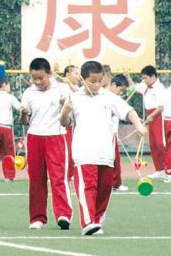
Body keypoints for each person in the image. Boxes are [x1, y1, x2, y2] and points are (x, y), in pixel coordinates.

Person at [60, 61, 146, 236]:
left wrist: (138, 125)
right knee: (88, 188)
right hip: (84, 154)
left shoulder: (108, 97)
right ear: (83, 79)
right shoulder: (75, 99)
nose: (96, 85)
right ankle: (88, 222)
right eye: (92, 81)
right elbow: (64, 122)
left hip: (106, 154)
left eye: (100, 81)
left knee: (104, 190)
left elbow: (128, 111)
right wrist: (65, 111)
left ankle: (97, 222)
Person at [20, 57, 73, 230]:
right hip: (34, 137)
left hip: (56, 137)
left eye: (40, 78)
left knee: (58, 178)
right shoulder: (28, 93)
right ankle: (37, 218)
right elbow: (24, 121)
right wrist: (23, 113)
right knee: (36, 179)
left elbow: (69, 116)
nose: (37, 82)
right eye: (34, 78)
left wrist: (64, 106)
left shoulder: (62, 89)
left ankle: (63, 214)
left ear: (49, 74)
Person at [127, 66, 167, 179]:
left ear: (153, 76)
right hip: (151, 117)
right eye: (143, 78)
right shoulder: (145, 86)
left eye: (145, 78)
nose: (144, 80)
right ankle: (160, 170)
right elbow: (134, 87)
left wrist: (151, 116)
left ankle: (168, 168)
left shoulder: (160, 88)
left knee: (161, 143)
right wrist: (127, 76)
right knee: (153, 144)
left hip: (159, 116)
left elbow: (161, 107)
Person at [106, 74, 130, 192]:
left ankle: (114, 183)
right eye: (121, 90)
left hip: (112, 134)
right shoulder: (108, 97)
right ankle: (115, 183)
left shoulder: (114, 98)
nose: (121, 93)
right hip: (107, 134)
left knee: (114, 159)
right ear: (114, 85)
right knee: (113, 159)